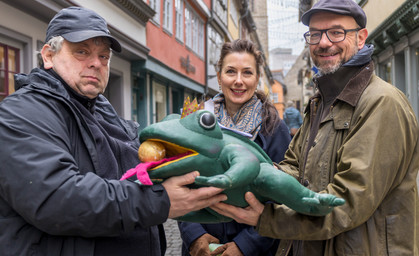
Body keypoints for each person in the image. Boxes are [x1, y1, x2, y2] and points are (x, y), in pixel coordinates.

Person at [0, 7, 227, 256]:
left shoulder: (104, 112)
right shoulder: (23, 111)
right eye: (82, 51)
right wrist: (160, 200)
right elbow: (57, 199)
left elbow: (140, 175)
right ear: (49, 56)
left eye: (104, 56)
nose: (96, 63)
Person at [210, 0, 419, 255]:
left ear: (361, 37)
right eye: (315, 34)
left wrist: (266, 218)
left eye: (336, 32)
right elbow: (292, 168)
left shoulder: (382, 103)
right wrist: (251, 176)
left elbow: (346, 203)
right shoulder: (321, 102)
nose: (323, 42)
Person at [178, 39, 292, 256]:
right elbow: (180, 181)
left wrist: (245, 246)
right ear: (219, 76)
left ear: (257, 78)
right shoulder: (195, 122)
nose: (238, 81)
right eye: (231, 71)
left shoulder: (275, 130)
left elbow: (281, 199)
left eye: (247, 73)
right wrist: (194, 235)